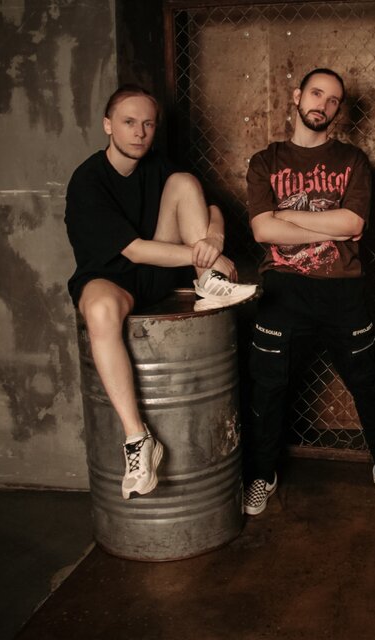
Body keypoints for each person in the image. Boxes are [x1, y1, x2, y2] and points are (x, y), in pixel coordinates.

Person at [65, 84, 258, 500]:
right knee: (99, 312)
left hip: (155, 274)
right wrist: (203, 253)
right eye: (129, 122)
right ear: (108, 125)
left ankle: (207, 281)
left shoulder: (158, 166)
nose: (140, 132)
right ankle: (138, 439)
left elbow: (212, 209)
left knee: (185, 182)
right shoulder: (88, 180)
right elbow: (133, 250)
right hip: (110, 279)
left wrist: (214, 243)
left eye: (148, 124)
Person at [244, 68, 375, 515]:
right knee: (267, 388)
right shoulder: (266, 161)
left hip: (342, 289)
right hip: (283, 289)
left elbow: (352, 223)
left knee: (366, 385)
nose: (324, 105)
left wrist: (286, 217)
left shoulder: (352, 160)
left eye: (333, 100)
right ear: (297, 96)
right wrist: (328, 225)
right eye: (317, 94)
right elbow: (262, 230)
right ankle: (261, 474)